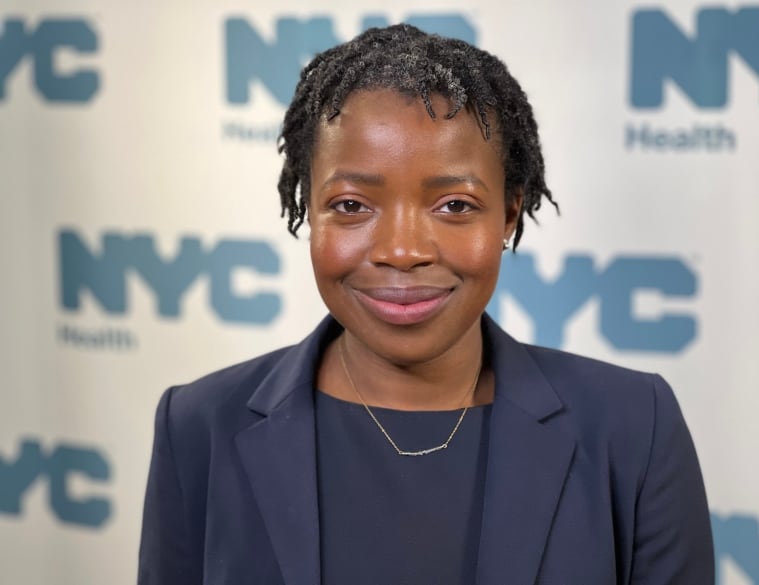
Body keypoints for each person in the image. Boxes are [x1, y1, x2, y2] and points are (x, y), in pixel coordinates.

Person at [138, 24, 714, 585]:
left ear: (509, 213)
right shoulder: (198, 426)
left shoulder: (634, 427)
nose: (402, 251)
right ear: (308, 209)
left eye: (456, 206)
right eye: (351, 205)